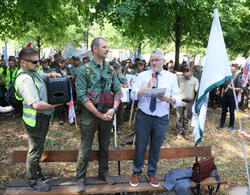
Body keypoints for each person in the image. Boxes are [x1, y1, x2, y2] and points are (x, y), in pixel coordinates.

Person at [129, 49, 181, 188]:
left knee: (156, 147)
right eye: (152, 60)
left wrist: (167, 99)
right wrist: (146, 87)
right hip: (144, 117)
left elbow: (179, 100)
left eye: (157, 60)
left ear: (163, 61)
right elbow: (133, 96)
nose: (154, 62)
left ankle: (151, 173)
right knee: (140, 145)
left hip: (161, 117)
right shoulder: (142, 76)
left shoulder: (171, 77)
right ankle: (136, 172)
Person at [75, 37, 121, 193]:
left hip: (107, 114)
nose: (107, 49)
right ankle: (80, 178)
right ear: (95, 49)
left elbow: (118, 91)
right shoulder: (84, 69)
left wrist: (113, 109)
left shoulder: (110, 70)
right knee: (85, 148)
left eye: (107, 47)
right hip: (90, 115)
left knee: (105, 147)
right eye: (104, 47)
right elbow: (81, 96)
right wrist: (98, 114)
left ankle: (103, 173)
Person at [15, 47, 62, 192]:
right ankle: (33, 180)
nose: (38, 64)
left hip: (40, 118)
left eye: (39, 61)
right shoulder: (24, 79)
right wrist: (52, 106)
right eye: (35, 62)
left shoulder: (32, 72)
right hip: (35, 119)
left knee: (38, 147)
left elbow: (41, 75)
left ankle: (36, 173)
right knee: (35, 150)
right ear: (23, 62)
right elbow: (36, 104)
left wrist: (50, 74)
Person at [176, 65, 199, 140]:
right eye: (185, 70)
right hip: (180, 101)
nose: (186, 71)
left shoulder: (195, 80)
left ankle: (184, 132)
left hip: (189, 102)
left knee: (186, 118)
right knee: (179, 117)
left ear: (191, 72)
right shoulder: (179, 79)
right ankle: (179, 132)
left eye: (188, 70)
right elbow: (174, 88)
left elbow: (197, 89)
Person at [216, 67, 242, 131]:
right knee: (223, 111)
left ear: (232, 72)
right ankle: (221, 124)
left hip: (232, 98)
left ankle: (231, 125)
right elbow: (223, 87)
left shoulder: (237, 78)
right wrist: (222, 95)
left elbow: (240, 89)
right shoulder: (227, 77)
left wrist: (231, 88)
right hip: (225, 97)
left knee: (231, 112)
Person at [110, 61, 128, 135]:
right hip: (110, 97)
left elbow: (127, 85)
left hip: (120, 98)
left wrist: (121, 85)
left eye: (117, 69)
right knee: (110, 112)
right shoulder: (108, 77)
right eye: (114, 68)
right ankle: (110, 128)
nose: (116, 70)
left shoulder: (122, 77)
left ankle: (119, 127)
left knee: (120, 113)